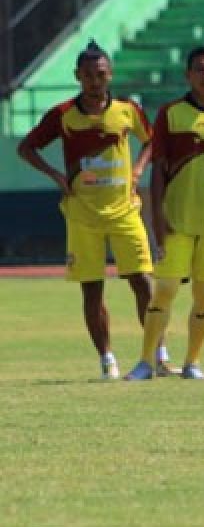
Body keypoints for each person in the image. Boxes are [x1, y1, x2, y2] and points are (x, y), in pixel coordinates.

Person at [17, 40, 175, 379]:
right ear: (77, 76)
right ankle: (107, 360)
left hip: (124, 211)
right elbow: (26, 147)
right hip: (82, 216)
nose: (95, 80)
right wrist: (56, 175)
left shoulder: (128, 110)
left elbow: (152, 141)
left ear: (110, 74)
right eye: (88, 74)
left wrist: (137, 170)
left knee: (143, 283)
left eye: (100, 74)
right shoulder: (62, 116)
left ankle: (157, 355)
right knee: (92, 288)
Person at [124, 45, 204, 381]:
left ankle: (193, 364)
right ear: (188, 75)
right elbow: (158, 171)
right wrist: (158, 220)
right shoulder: (171, 114)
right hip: (177, 222)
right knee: (163, 290)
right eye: (200, 69)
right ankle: (145, 363)